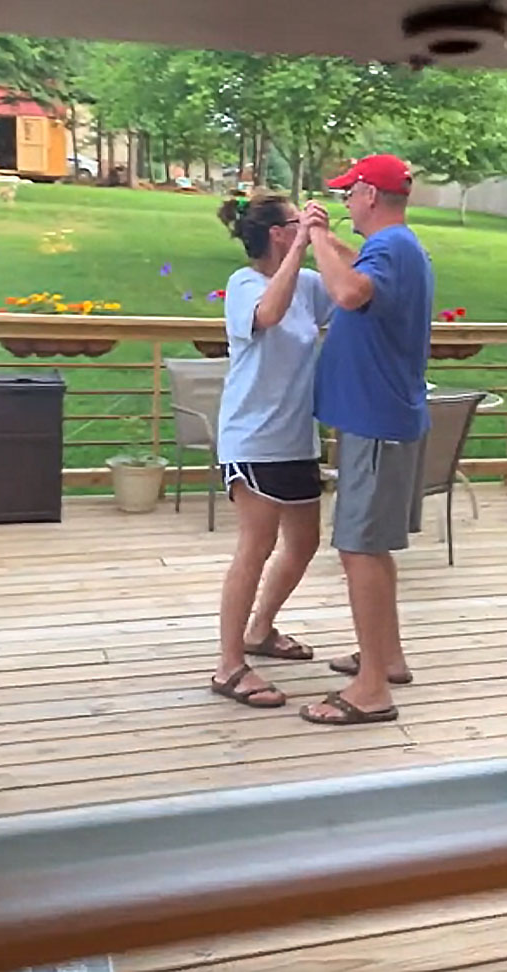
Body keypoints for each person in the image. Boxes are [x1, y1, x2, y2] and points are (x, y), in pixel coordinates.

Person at [301, 153, 434, 726]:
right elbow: (362, 277)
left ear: (370, 195)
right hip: (379, 420)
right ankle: (388, 657)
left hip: (376, 423)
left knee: (358, 549)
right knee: (372, 546)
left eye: (348, 192)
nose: (345, 202)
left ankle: (372, 689)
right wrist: (330, 241)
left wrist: (315, 243)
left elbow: (350, 293)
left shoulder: (395, 247)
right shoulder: (398, 248)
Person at [212, 193, 334, 708]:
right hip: (253, 438)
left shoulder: (308, 283)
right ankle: (228, 666)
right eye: (294, 222)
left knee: (303, 543)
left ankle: (260, 631)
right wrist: (303, 245)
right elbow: (270, 312)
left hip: (296, 438)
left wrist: (329, 238)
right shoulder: (245, 286)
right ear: (278, 235)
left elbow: (354, 290)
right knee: (255, 546)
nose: (300, 227)